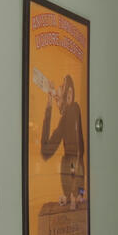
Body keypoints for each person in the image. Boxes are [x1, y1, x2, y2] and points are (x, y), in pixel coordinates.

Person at [40, 74, 86, 208]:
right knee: (67, 161)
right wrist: (49, 105)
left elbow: (76, 156)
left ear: (69, 94)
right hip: (76, 184)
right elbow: (46, 151)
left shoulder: (73, 109)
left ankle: (76, 195)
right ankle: (75, 195)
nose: (56, 96)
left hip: (75, 182)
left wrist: (75, 193)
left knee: (68, 161)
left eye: (61, 87)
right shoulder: (65, 120)